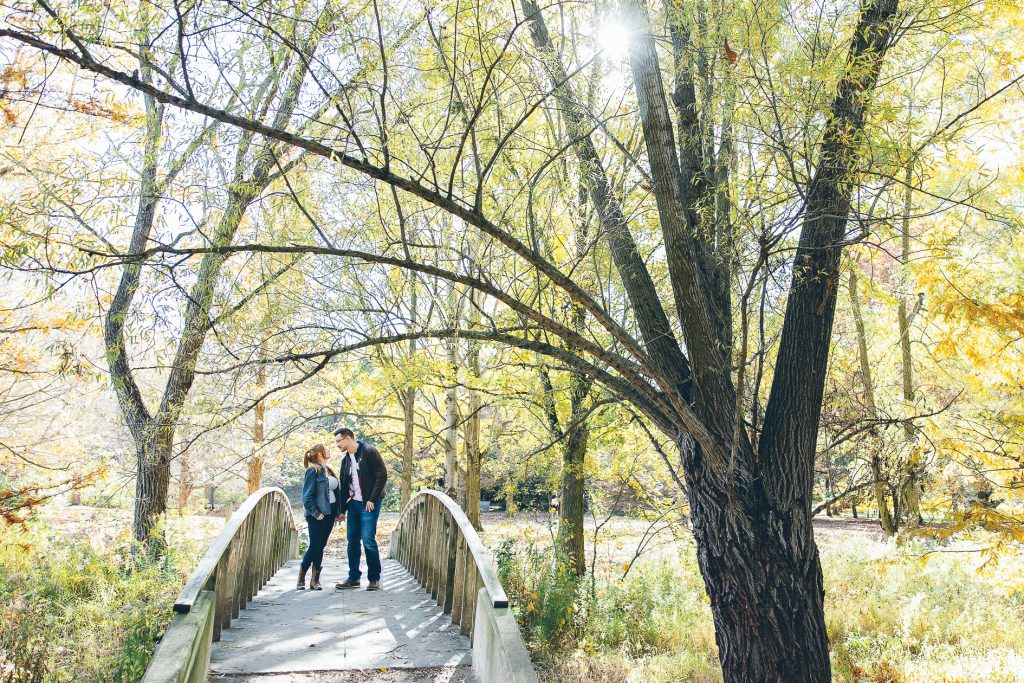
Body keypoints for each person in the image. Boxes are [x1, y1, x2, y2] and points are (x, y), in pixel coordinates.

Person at [333, 427, 388, 591]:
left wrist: (372, 498)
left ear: (348, 438)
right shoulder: (346, 460)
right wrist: (342, 510)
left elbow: (382, 476)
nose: (337, 445)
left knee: (368, 540)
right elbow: (344, 486)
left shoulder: (369, 451)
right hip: (353, 504)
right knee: (352, 541)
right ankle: (354, 578)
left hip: (369, 504)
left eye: (339, 441)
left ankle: (374, 579)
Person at [298, 444, 343, 590]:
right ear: (319, 454)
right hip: (317, 515)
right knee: (314, 546)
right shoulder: (313, 470)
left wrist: (338, 512)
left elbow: (336, 493)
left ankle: (315, 580)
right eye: (326, 449)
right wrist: (316, 513)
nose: (329, 450)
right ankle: (302, 575)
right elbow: (306, 496)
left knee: (321, 546)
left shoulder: (328, 470)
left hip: (329, 514)